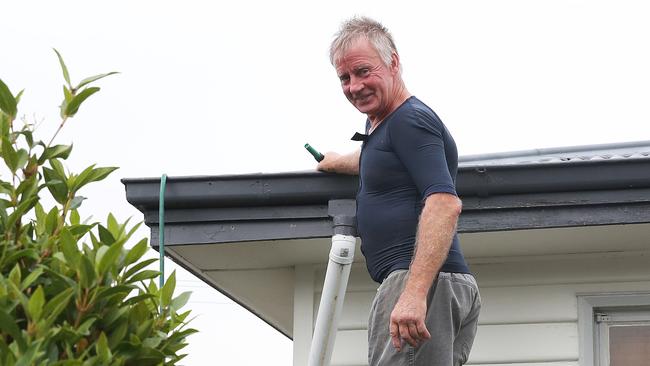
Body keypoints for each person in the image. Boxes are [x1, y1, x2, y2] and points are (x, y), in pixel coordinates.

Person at [317, 17, 481, 366]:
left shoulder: (409, 120)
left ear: (393, 62)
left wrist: (414, 294)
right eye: (344, 78)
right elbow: (379, 158)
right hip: (435, 286)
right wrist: (336, 162)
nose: (354, 86)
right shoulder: (385, 123)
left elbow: (444, 202)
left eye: (363, 71)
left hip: (422, 284)